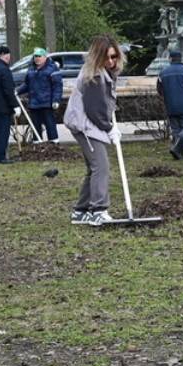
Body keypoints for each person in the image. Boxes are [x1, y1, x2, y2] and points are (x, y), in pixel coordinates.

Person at [63, 35, 121, 226]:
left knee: (93, 168)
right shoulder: (94, 76)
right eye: (106, 57)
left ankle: (80, 212)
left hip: (89, 124)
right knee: (101, 166)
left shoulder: (104, 72)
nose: (111, 61)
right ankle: (98, 210)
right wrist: (109, 128)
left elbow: (103, 104)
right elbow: (94, 109)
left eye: (114, 56)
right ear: (97, 56)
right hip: (85, 125)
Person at [156, 49, 183, 159]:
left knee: (175, 130)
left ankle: (178, 154)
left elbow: (159, 90)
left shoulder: (162, 73)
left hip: (170, 106)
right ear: (181, 59)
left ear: (170, 59)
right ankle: (178, 149)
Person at [23, 48, 62, 142]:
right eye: (35, 56)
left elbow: (57, 86)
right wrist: (17, 91)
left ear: (45, 57)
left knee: (50, 125)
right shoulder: (31, 69)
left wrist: (56, 100)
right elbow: (27, 85)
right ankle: (37, 143)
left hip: (47, 103)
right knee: (35, 126)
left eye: (39, 56)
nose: (37, 58)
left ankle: (54, 143)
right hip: (34, 103)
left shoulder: (52, 69)